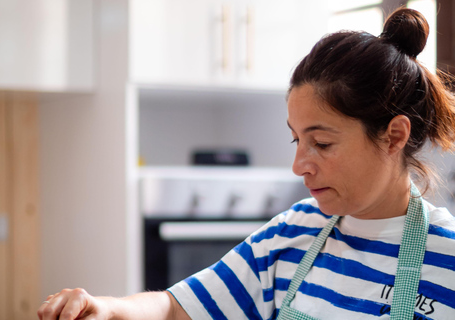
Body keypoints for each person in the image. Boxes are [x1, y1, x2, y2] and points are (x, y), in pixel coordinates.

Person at [38, 7, 455, 320]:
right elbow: (174, 307)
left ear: (394, 136)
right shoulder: (293, 233)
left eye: (322, 143)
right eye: (297, 139)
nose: (299, 165)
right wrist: (106, 308)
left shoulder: (448, 258)